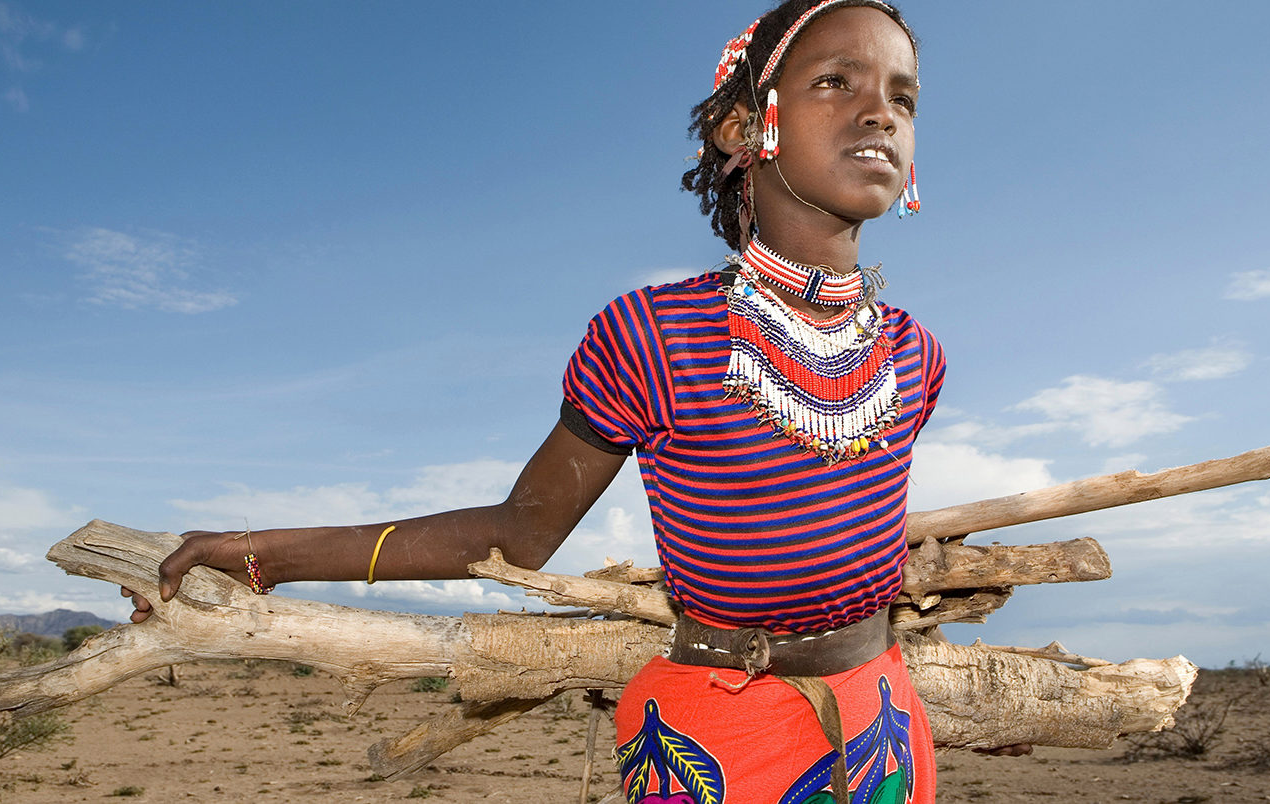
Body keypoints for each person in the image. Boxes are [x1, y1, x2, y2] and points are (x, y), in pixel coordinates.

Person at [127, 2, 943, 801]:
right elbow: (518, 533)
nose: (879, 113)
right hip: (716, 751)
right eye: (837, 81)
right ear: (744, 127)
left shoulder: (914, 355)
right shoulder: (654, 335)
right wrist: (267, 551)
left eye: (902, 97)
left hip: (884, 738)